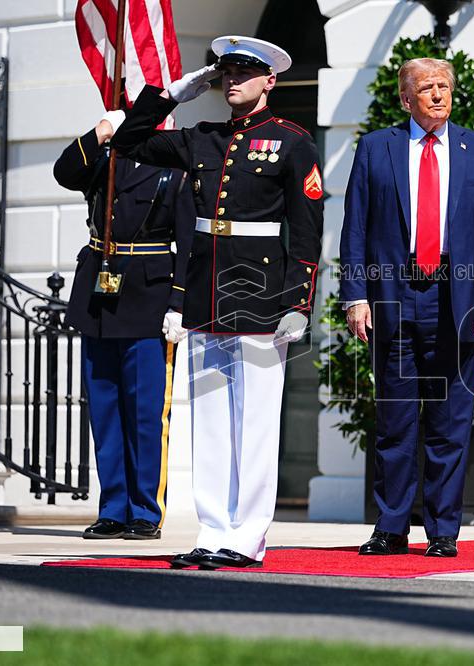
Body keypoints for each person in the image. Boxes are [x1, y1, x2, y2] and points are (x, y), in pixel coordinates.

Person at [108, 36, 323, 569]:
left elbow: (307, 229)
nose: (233, 81)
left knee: (253, 422)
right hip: (206, 293)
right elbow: (128, 143)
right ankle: (213, 530)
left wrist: (299, 300)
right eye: (226, 72)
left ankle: (247, 536)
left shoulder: (292, 142)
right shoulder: (201, 138)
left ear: (270, 81)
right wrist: (172, 94)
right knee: (208, 419)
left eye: (245, 73)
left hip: (260, 295)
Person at [339, 58, 474, 558]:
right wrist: (355, 296)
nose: (438, 95)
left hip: (456, 300)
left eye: (444, 87)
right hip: (395, 296)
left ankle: (442, 532)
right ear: (405, 98)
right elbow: (355, 229)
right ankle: (391, 527)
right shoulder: (376, 148)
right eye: (427, 88)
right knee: (395, 420)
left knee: (450, 422)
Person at [53, 110, 194, 540]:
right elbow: (64, 171)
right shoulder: (105, 159)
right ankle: (113, 507)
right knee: (105, 410)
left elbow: (188, 242)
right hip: (100, 296)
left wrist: (178, 303)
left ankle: (145, 510)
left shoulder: (176, 168)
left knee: (147, 414)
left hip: (148, 297)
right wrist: (98, 132)